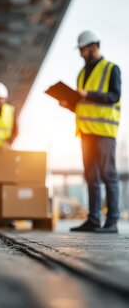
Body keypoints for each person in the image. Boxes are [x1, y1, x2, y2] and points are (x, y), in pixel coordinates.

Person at [64, 31, 121, 233]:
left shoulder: (111, 69)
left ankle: (112, 221)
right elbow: (83, 104)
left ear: (93, 47)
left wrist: (88, 94)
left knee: (108, 175)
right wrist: (69, 103)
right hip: (85, 132)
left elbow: (114, 96)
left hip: (104, 131)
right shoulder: (82, 73)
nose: (80, 54)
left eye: (82, 50)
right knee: (91, 177)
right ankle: (93, 220)